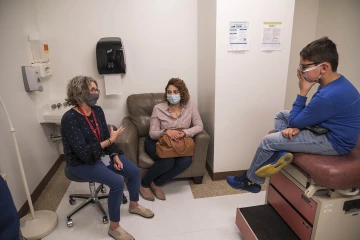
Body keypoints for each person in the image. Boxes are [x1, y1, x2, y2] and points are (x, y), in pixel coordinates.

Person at [227, 37, 360, 193]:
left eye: (304, 67)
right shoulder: (335, 83)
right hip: (326, 128)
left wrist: (302, 92)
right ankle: (282, 151)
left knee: (268, 142)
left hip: (335, 143)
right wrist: (296, 126)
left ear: (324, 67)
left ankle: (251, 181)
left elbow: (297, 120)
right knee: (281, 115)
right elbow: (304, 117)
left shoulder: (329, 94)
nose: (301, 71)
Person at [61, 76, 154, 240]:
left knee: (133, 171)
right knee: (117, 183)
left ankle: (134, 205)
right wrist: (110, 140)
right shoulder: (70, 118)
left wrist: (114, 154)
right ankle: (114, 227)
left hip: (100, 156)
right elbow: (83, 152)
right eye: (92, 90)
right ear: (80, 92)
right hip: (79, 164)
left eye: (96, 89)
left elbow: (105, 136)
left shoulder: (97, 111)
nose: (96, 93)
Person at [139, 78, 204, 201]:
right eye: (169, 92)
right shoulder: (158, 108)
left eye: (175, 92)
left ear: (182, 93)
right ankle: (144, 184)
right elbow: (152, 133)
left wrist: (184, 132)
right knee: (167, 161)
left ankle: (156, 183)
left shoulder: (190, 105)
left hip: (179, 141)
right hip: (157, 141)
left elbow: (199, 126)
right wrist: (166, 132)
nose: (172, 95)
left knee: (186, 161)